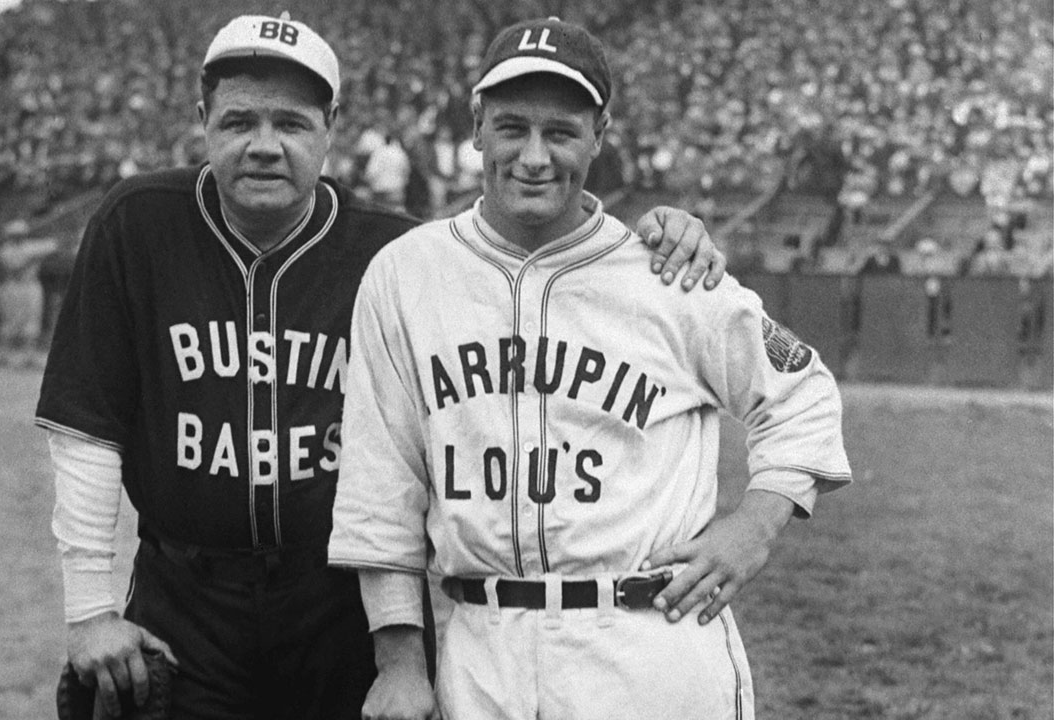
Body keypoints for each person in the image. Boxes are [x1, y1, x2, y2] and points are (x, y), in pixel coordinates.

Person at [36, 13, 728, 720]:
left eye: (293, 123)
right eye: (240, 120)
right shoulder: (139, 223)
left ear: (332, 125)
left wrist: (660, 236)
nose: (265, 146)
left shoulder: (396, 254)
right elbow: (87, 428)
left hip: (341, 604)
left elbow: (527, 250)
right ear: (201, 116)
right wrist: (90, 610)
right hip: (186, 595)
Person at [328, 17, 852, 720]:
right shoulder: (406, 274)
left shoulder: (667, 272)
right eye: (512, 128)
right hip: (482, 647)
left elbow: (803, 391)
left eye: (562, 132)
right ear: (476, 127)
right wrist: (398, 662)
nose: (534, 158)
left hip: (643, 638)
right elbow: (381, 481)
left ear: (600, 135)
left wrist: (753, 527)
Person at [0, 219, 59, 368]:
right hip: (13, 286)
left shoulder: (32, 246)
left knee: (32, 320)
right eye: (15, 234)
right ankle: (3, 355)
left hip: (31, 286)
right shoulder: (5, 250)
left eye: (21, 234)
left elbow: (54, 245)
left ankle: (29, 357)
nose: (19, 237)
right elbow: (15, 267)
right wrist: (32, 258)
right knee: (9, 320)